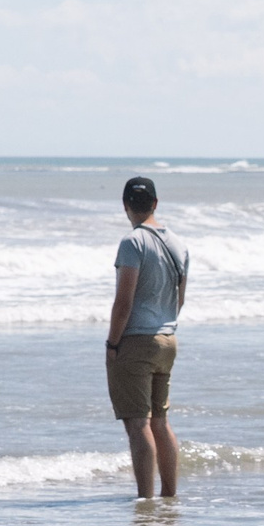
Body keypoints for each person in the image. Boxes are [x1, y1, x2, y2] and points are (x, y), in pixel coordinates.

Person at [107, 174, 189, 500]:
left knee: (138, 423)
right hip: (168, 339)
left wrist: (113, 343)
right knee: (161, 420)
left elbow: (123, 301)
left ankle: (145, 500)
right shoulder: (178, 244)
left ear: (126, 205)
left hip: (137, 341)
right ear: (155, 203)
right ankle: (169, 495)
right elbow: (179, 299)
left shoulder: (133, 242)